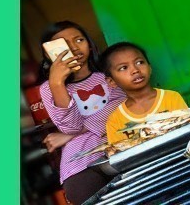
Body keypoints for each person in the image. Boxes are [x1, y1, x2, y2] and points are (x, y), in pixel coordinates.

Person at [38, 21, 126, 205]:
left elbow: (120, 111)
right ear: (49, 53)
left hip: (121, 148)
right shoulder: (49, 88)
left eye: (79, 40)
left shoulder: (108, 75)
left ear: (90, 45)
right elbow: (70, 126)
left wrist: (68, 136)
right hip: (79, 162)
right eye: (64, 44)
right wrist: (57, 84)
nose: (74, 48)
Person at [100, 42, 188, 144]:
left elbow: (187, 132)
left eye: (139, 62)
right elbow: (120, 154)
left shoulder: (171, 98)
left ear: (149, 67)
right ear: (111, 81)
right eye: (123, 68)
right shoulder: (115, 120)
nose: (135, 70)